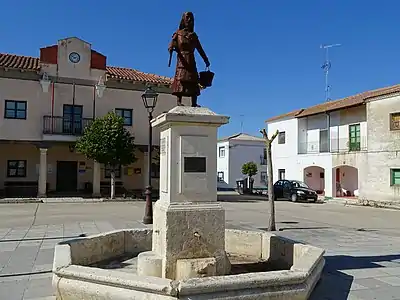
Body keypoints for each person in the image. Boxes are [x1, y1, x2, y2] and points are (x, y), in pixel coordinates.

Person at [168, 12, 210, 107]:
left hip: (191, 59)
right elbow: (172, 44)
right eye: (187, 17)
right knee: (181, 78)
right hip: (182, 59)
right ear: (183, 19)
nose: (189, 20)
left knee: (193, 79)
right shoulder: (178, 34)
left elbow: (200, 49)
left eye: (191, 18)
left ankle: (194, 102)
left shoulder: (194, 36)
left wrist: (206, 60)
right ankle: (179, 101)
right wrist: (171, 48)